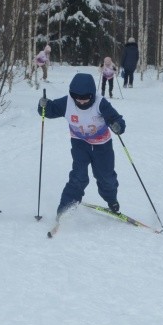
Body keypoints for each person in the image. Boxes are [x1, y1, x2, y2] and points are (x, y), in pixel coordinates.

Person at [37, 72, 125, 217]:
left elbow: (115, 118)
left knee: (106, 177)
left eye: (85, 98)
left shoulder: (100, 103)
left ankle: (111, 200)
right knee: (78, 176)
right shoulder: (67, 102)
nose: (81, 102)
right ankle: (66, 208)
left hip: (102, 146)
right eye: (78, 98)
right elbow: (50, 110)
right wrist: (43, 106)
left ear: (92, 94)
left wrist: (118, 126)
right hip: (80, 144)